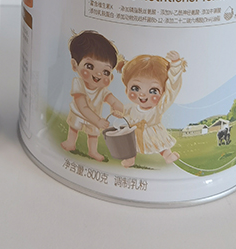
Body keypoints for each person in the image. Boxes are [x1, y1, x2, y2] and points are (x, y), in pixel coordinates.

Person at [61, 30, 125, 161]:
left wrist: (119, 110)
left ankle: (93, 151)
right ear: (74, 65)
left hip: (95, 118)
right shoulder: (78, 83)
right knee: (74, 128)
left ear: (111, 77)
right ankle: (70, 142)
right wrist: (98, 121)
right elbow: (82, 106)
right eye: (89, 66)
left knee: (93, 135)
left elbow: (114, 101)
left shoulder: (102, 90)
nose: (98, 74)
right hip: (79, 114)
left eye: (106, 72)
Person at [120, 51, 186, 167]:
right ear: (126, 89)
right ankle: (130, 159)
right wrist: (116, 112)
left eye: (153, 91)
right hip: (135, 132)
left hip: (153, 132)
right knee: (131, 145)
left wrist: (175, 65)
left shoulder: (159, 107)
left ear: (163, 92)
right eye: (135, 88)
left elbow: (172, 88)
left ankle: (167, 155)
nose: (142, 94)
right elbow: (121, 111)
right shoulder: (131, 108)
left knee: (161, 145)